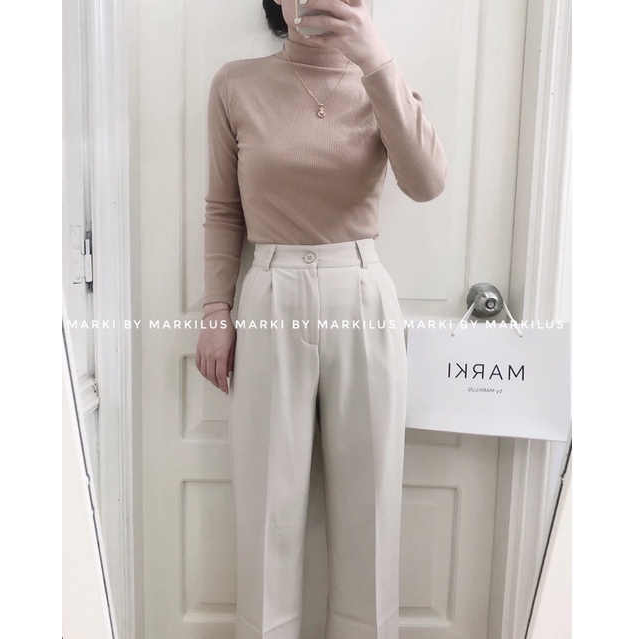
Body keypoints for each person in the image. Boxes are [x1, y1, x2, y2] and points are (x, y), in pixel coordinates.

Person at [196, 1, 447, 637]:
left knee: (370, 507)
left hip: (360, 289)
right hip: (269, 290)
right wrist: (216, 308)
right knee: (266, 506)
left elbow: (427, 183)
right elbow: (223, 209)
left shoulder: (381, 82)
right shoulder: (236, 84)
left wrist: (375, 59)